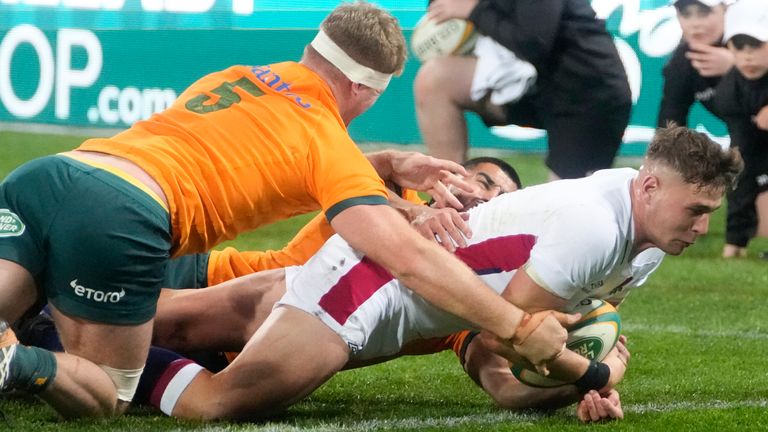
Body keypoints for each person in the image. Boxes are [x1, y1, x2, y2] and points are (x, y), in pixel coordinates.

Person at [0, 2, 571, 420]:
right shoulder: (327, 143)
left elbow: (267, 157)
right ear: (365, 90)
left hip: (52, 175)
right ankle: (22, 362)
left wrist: (391, 173)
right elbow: (405, 257)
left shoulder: (236, 79)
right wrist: (516, 326)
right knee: (105, 393)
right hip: (124, 221)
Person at [135, 125, 741, 422]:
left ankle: (73, 325)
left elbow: (527, 352)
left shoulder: (648, 240)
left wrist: (584, 386)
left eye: (709, 214)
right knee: (214, 405)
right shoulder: (593, 224)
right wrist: (601, 370)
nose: (702, 228)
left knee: (191, 334)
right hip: (369, 284)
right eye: (696, 211)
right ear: (651, 186)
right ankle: (69, 353)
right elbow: (516, 333)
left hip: (401, 303)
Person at [415, 0, 632, 180]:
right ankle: (450, 193)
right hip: (531, 83)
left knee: (563, 212)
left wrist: (475, 10)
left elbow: (534, 41)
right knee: (435, 80)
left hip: (587, 93)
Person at [713, 0, 768, 259]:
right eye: (739, 45)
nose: (748, 54)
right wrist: (734, 239)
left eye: (756, 44)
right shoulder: (729, 92)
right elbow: (743, 158)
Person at [657, 0, 733, 128]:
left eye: (704, 12)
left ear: (726, 10)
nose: (695, 24)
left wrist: (736, 69)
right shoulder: (683, 60)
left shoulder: (760, 40)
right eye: (686, 14)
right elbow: (669, 123)